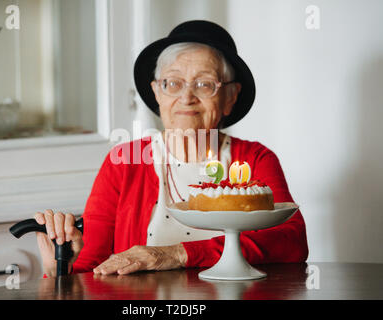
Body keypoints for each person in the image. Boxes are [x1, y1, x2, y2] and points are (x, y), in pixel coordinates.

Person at [34, 20, 309, 277]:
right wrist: (59, 267)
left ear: (230, 97)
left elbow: (292, 242)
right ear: (157, 93)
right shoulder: (123, 161)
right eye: (173, 83)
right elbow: (91, 269)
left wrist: (177, 254)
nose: (186, 98)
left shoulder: (255, 159)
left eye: (204, 84)